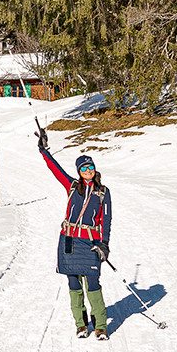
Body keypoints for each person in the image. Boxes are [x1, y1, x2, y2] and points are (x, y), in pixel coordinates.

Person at [36, 122, 112, 340]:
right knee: (73, 282)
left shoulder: (103, 193)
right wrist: (44, 150)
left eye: (90, 168)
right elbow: (55, 169)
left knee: (93, 282)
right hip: (69, 240)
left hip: (90, 242)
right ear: (79, 172)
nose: (87, 172)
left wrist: (104, 244)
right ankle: (81, 324)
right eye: (83, 169)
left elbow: (106, 220)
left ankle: (100, 327)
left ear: (94, 169)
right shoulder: (71, 186)